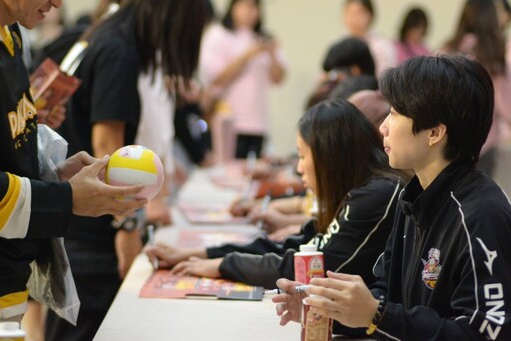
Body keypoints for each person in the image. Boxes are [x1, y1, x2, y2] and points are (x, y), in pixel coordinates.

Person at [273, 55, 511, 340]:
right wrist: (331, 311)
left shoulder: (479, 215)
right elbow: (387, 292)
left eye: (395, 113)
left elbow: (486, 333)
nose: (383, 127)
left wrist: (376, 314)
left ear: (434, 132)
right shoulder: (414, 196)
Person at [146, 99, 404, 336]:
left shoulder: (377, 194)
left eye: (303, 156)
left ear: (330, 155)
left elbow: (311, 268)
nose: (299, 167)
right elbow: (293, 245)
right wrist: (207, 254)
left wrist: (225, 264)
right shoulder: (358, 191)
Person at [44, 1, 208, 340]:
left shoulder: (104, 34)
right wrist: (129, 223)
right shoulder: (119, 50)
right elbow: (108, 151)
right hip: (92, 234)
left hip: (75, 222)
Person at [0, 0, 146, 324]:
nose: (57, 3)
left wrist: (52, 174)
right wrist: (65, 199)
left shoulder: (12, 32)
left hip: (11, 272)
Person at [199, 0, 286, 159]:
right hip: (228, 120)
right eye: (246, 5)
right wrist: (248, 55)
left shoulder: (263, 38)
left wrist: (272, 54)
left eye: (255, 7)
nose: (251, 11)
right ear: (233, 7)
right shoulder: (219, 35)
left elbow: (279, 78)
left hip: (258, 122)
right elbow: (215, 78)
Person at [443, 0, 511, 178]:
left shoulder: (447, 49)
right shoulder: (493, 55)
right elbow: (507, 106)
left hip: (447, 142)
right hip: (483, 142)